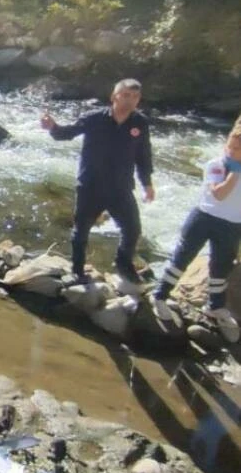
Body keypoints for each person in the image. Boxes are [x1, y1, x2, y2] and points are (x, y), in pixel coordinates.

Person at [40, 78, 155, 283]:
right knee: (82, 230)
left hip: (121, 187)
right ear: (114, 97)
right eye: (126, 95)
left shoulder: (140, 123)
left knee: (132, 229)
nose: (130, 101)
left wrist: (147, 183)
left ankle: (124, 264)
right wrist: (52, 127)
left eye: (135, 97)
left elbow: (143, 155)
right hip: (91, 185)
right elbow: (66, 134)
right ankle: (77, 270)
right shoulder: (94, 119)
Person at [149, 124, 241, 342]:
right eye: (231, 146)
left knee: (221, 266)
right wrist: (236, 171)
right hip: (204, 219)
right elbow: (219, 194)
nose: (232, 151)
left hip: (232, 225)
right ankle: (160, 295)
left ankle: (215, 308)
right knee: (183, 256)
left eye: (238, 149)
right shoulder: (216, 165)